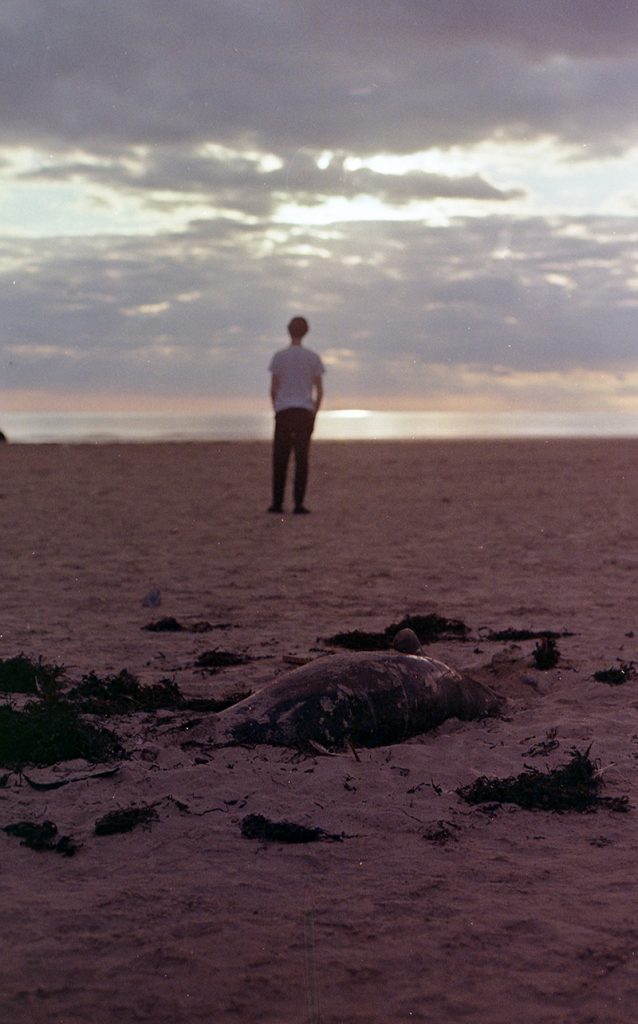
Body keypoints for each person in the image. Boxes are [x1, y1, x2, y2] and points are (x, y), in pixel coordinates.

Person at [268, 316, 324, 514]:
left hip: (284, 411)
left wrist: (276, 409)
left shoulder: (279, 356)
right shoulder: (312, 357)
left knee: (280, 459)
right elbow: (319, 391)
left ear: (288, 331)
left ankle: (277, 503)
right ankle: (298, 504)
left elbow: (273, 389)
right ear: (306, 332)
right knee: (301, 459)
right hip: (304, 411)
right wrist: (314, 413)